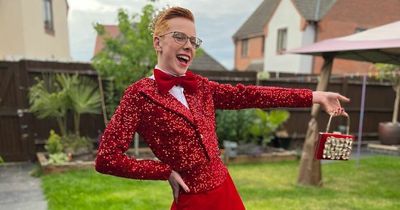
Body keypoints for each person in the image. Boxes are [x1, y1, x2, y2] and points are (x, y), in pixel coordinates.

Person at [95, 6, 349, 210]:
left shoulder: (201, 87)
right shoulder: (138, 95)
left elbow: (251, 95)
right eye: (179, 36)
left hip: (225, 190)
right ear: (157, 43)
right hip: (192, 199)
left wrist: (315, 96)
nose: (188, 46)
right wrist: (164, 171)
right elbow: (106, 158)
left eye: (193, 41)